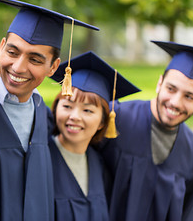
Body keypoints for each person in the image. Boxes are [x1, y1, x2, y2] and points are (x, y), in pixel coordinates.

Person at [0, 0, 99, 221]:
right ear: (1, 48)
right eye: (13, 52)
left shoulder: (42, 112)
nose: (18, 67)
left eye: (35, 60)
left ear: (53, 67)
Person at [99, 41, 193, 221]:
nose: (175, 102)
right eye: (171, 89)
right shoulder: (116, 119)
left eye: (189, 96)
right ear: (159, 84)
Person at [49, 51, 140, 221]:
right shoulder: (41, 159)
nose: (75, 116)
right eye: (67, 106)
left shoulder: (99, 165)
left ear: (102, 122)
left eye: (88, 110)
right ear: (56, 108)